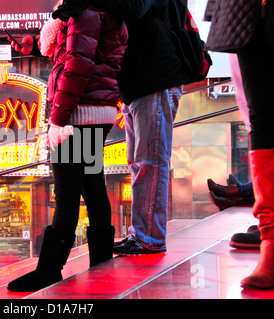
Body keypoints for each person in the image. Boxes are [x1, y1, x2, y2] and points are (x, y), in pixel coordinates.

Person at [7, 0, 128, 292]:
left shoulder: (86, 11)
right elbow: (79, 52)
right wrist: (34, 45)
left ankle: (49, 269)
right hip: (93, 111)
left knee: (67, 195)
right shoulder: (96, 9)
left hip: (78, 115)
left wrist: (59, 120)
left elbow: (78, 65)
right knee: (91, 186)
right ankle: (100, 261)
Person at [97, 0, 188, 255]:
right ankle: (141, 234)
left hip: (155, 81)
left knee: (151, 161)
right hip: (137, 85)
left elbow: (134, 7)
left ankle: (149, 237)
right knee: (139, 163)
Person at [205, 0, 274, 289]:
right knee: (262, 117)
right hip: (70, 125)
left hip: (76, 122)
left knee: (80, 185)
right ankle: (270, 240)